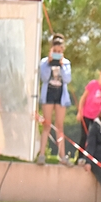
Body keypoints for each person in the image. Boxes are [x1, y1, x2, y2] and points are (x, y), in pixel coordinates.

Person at [37, 34, 72, 165]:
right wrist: (50, 63)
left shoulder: (66, 63)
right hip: (49, 93)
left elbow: (67, 79)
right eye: (55, 51)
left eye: (59, 51)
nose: (57, 53)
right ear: (51, 50)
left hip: (61, 94)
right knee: (47, 124)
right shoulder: (44, 62)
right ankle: (41, 154)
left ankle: (62, 156)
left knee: (59, 126)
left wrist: (61, 65)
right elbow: (44, 78)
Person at [76, 66, 101, 163]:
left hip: (97, 116)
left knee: (94, 137)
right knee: (84, 136)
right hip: (87, 113)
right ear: (100, 75)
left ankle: (91, 157)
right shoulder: (93, 84)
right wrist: (80, 111)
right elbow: (83, 98)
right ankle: (79, 157)